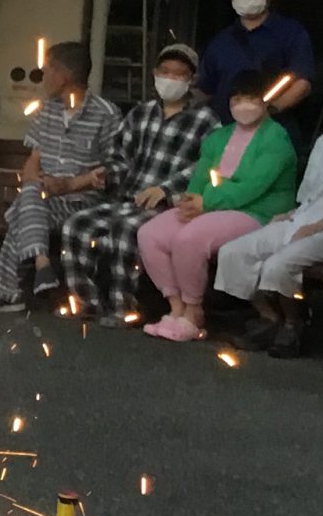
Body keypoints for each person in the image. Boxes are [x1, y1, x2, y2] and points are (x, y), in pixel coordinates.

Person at [58, 43, 220, 324]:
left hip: (168, 208)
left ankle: (124, 309)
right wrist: (107, 173)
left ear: (191, 79)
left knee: (125, 231)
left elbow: (207, 167)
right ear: (155, 74)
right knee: (76, 225)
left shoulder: (206, 121)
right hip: (128, 199)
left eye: (179, 74)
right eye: (165, 71)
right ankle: (87, 302)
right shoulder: (140, 114)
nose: (170, 79)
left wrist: (166, 190)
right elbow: (120, 155)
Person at [134, 70, 298, 342]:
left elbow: (252, 187)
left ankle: (194, 311)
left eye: (251, 98)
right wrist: (190, 201)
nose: (243, 105)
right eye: (237, 99)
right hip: (209, 207)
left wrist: (206, 202)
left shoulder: (276, 140)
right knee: (149, 234)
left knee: (190, 239)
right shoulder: (218, 138)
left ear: (265, 100)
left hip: (256, 212)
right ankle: (176, 306)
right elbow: (198, 180)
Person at [0, 40, 118, 312]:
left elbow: (113, 168)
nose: (43, 75)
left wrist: (71, 184)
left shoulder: (106, 114)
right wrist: (39, 182)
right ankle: (41, 263)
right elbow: (32, 163)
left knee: (22, 211)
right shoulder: (47, 110)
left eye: (49, 69)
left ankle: (7, 292)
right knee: (30, 194)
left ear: (66, 75)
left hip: (82, 201)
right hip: (45, 197)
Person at [215, 129, 323, 356]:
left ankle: (292, 322)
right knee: (232, 253)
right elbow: (310, 192)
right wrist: (293, 213)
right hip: (302, 216)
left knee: (278, 265)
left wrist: (319, 225)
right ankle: (268, 317)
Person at [198, 0, 316, 130]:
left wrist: (270, 110)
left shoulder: (291, 33)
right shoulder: (221, 41)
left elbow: (302, 83)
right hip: (224, 133)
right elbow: (205, 89)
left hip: (272, 131)